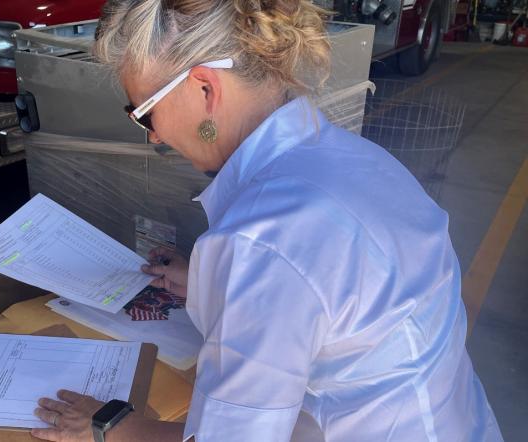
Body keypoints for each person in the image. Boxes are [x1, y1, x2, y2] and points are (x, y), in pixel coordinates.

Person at [31, 1, 503, 441]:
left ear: (203, 89)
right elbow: (346, 306)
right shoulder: (357, 158)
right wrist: (211, 285)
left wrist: (113, 426)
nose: (152, 133)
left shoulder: (262, 238)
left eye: (143, 112)